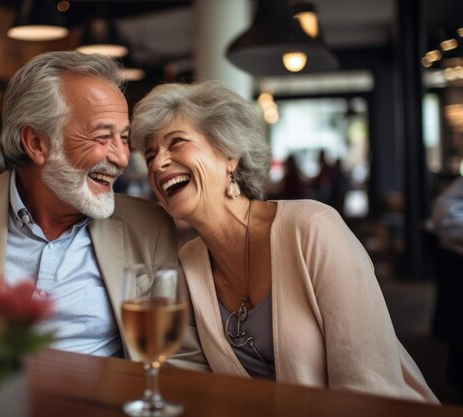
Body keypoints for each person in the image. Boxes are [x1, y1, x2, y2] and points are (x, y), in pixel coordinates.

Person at [0, 51, 207, 370]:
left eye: (123, 139)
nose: (122, 158)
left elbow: (180, 359)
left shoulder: (148, 227)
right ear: (37, 143)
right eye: (102, 137)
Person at [130, 80, 438, 402]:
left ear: (228, 154)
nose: (157, 164)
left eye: (176, 142)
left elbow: (369, 388)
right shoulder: (187, 264)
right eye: (150, 155)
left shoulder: (313, 228)